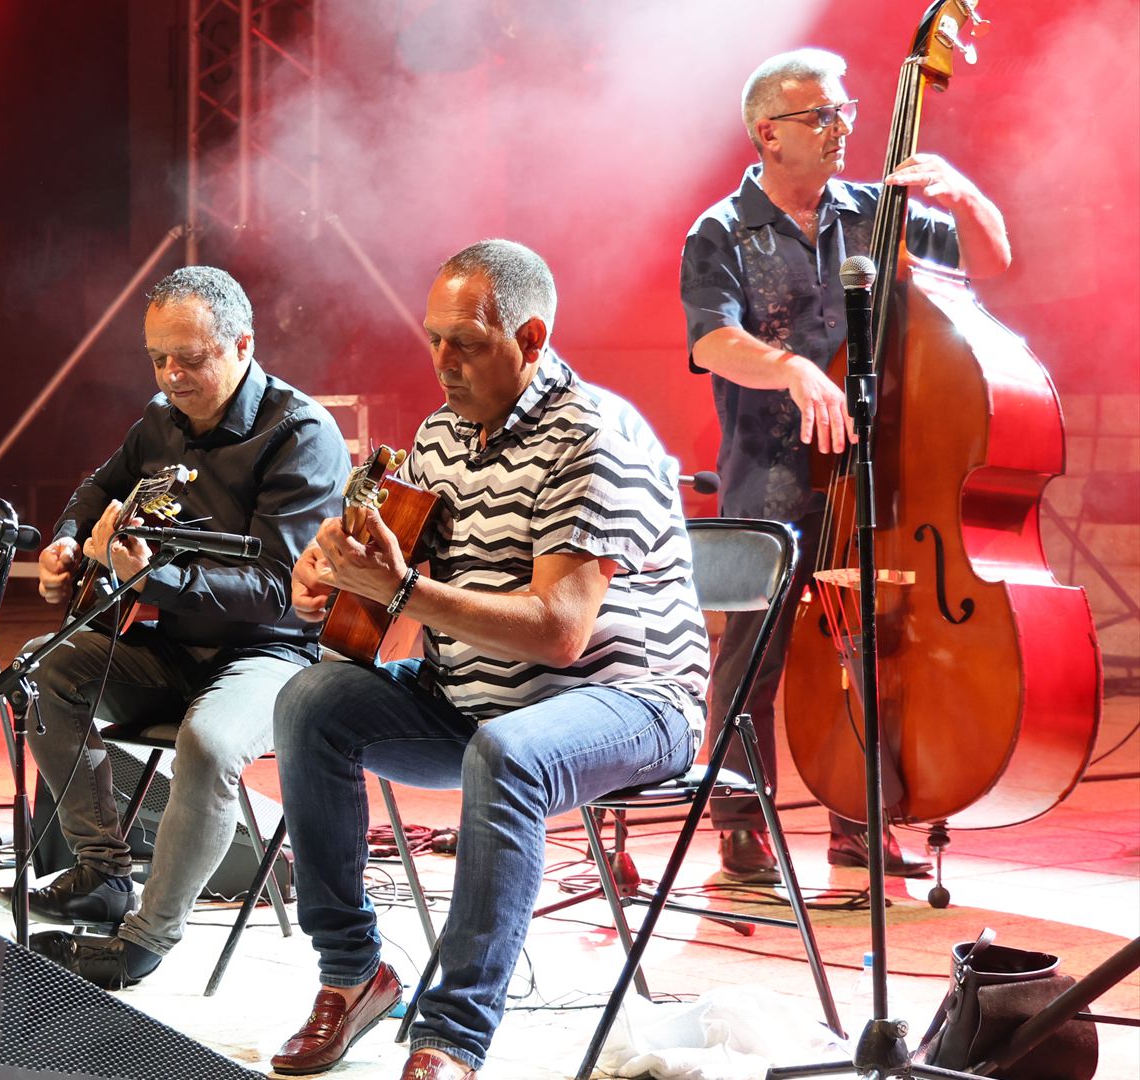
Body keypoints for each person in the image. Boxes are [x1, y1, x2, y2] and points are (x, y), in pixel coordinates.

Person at [269, 240, 709, 1080]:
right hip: (473, 701)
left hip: (631, 701)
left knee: (507, 756)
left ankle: (451, 1036)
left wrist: (400, 593)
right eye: (433, 338)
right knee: (309, 703)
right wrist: (329, 580)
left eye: (465, 343)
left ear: (533, 337)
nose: (442, 362)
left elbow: (559, 630)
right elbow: (380, 592)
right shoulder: (439, 435)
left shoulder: (594, 436)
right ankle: (353, 974)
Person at [679, 48, 1011, 882]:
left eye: (845, 112)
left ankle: (861, 818)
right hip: (773, 471)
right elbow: (713, 339)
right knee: (750, 654)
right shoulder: (722, 229)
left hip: (877, 473)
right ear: (768, 132)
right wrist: (789, 366)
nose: (842, 129)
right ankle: (740, 821)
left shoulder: (879, 215)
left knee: (868, 646)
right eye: (820, 116)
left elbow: (994, 270)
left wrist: (967, 199)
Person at [10, 265, 351, 989]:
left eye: (190, 359)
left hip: (273, 654)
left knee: (209, 741)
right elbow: (97, 488)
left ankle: (148, 936)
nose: (171, 375)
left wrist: (146, 576)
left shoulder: (300, 434)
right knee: (44, 670)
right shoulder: (159, 421)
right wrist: (70, 542)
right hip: (170, 644)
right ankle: (102, 871)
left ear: (242, 345)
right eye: (158, 358)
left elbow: (276, 593)